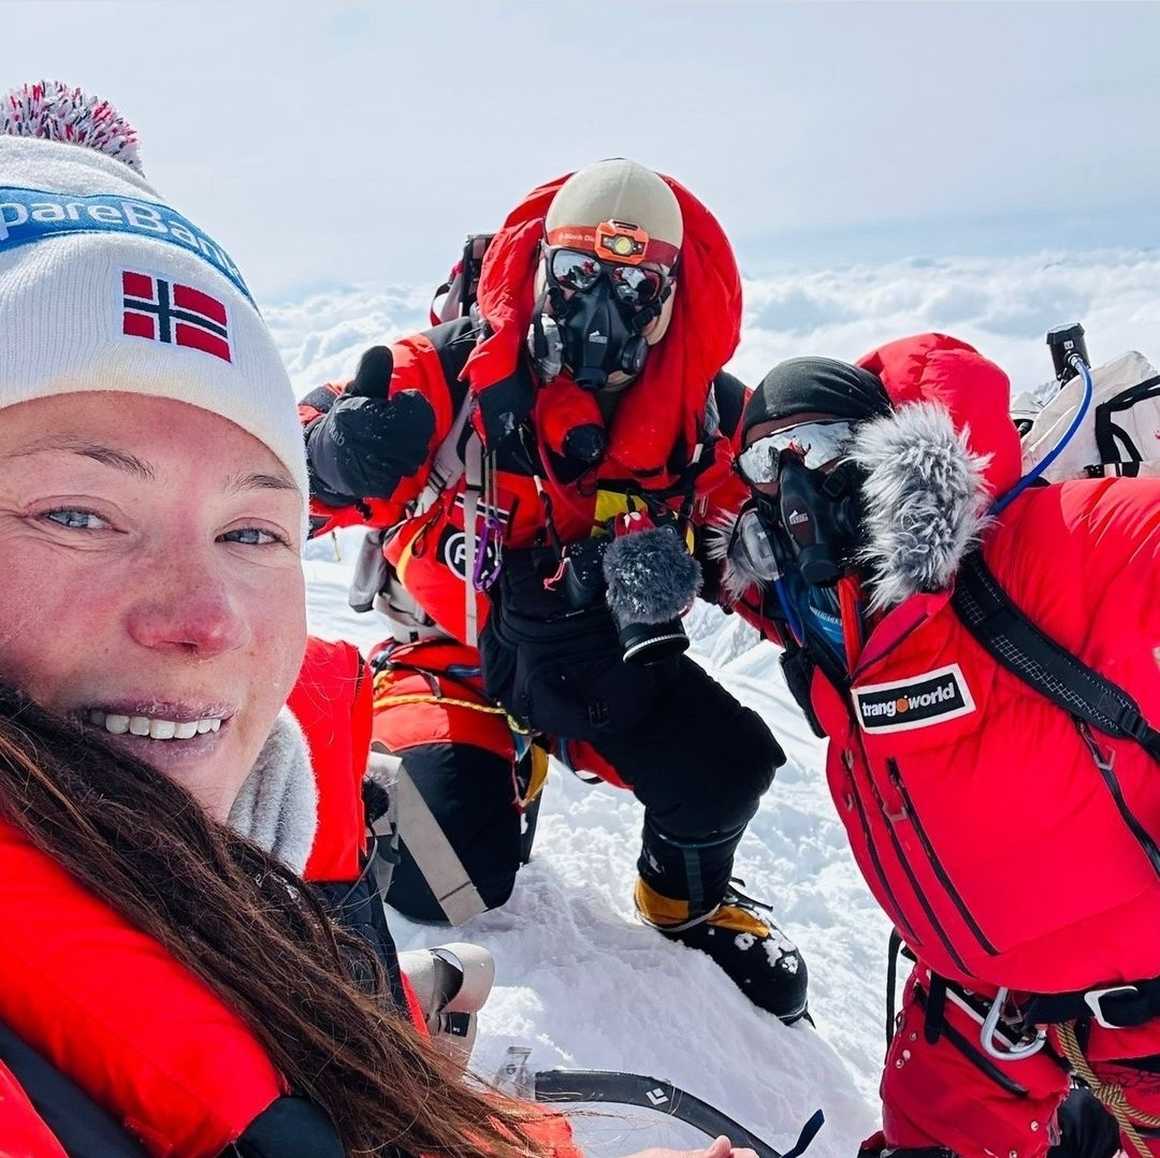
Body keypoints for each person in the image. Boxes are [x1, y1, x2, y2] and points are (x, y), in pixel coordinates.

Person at [0, 79, 582, 1158]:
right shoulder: (445, 383)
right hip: (447, 657)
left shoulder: (274, 785)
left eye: (251, 532)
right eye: (77, 513)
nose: (207, 619)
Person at [300, 158, 808, 1021]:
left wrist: (770, 565)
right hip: (451, 657)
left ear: (669, 304)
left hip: (599, 669)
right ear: (541, 272)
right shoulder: (452, 379)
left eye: (635, 290)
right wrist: (335, 454)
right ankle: (426, 750)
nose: (601, 312)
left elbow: (757, 562)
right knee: (443, 875)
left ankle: (682, 903)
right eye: (577, 278)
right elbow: (270, 476)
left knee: (728, 767)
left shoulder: (703, 422)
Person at [721, 332, 1159, 1157]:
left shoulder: (1042, 549)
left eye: (813, 445)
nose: (793, 482)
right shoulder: (823, 627)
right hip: (982, 1010)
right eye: (766, 464)